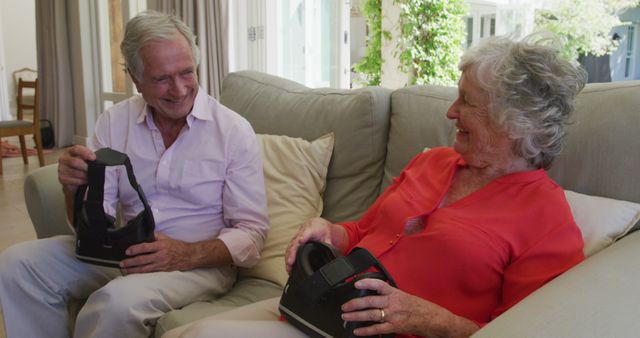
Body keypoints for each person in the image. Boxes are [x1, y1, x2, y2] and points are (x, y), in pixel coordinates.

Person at [161, 33, 588, 338]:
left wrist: (428, 319)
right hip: (323, 307)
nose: (451, 113)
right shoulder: (434, 161)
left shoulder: (547, 219)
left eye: (467, 102)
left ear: (514, 123)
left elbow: (525, 330)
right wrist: (329, 231)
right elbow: (363, 233)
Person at [0, 10, 269, 338]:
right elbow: (95, 223)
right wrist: (74, 189)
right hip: (123, 249)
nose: (180, 89)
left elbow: (252, 233)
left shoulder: (233, 131)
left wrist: (183, 254)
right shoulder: (114, 122)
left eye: (186, 72)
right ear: (135, 78)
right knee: (17, 264)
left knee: (116, 301)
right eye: (162, 78)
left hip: (199, 264)